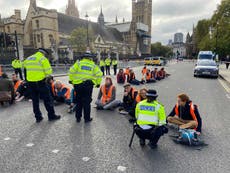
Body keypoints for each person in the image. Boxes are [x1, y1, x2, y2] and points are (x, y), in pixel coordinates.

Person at [23, 48, 61, 123]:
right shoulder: (42, 59)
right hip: (40, 82)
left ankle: (38, 117)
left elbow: (25, 68)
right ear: (44, 53)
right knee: (47, 99)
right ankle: (51, 115)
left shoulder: (29, 58)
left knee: (35, 100)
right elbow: (48, 71)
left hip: (30, 83)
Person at [69, 51, 103, 123]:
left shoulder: (78, 63)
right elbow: (99, 74)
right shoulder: (93, 65)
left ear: (83, 57)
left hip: (78, 85)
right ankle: (87, 119)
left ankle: (78, 118)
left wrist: (71, 80)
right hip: (88, 85)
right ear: (90, 58)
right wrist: (97, 83)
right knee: (87, 102)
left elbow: (71, 71)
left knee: (79, 102)